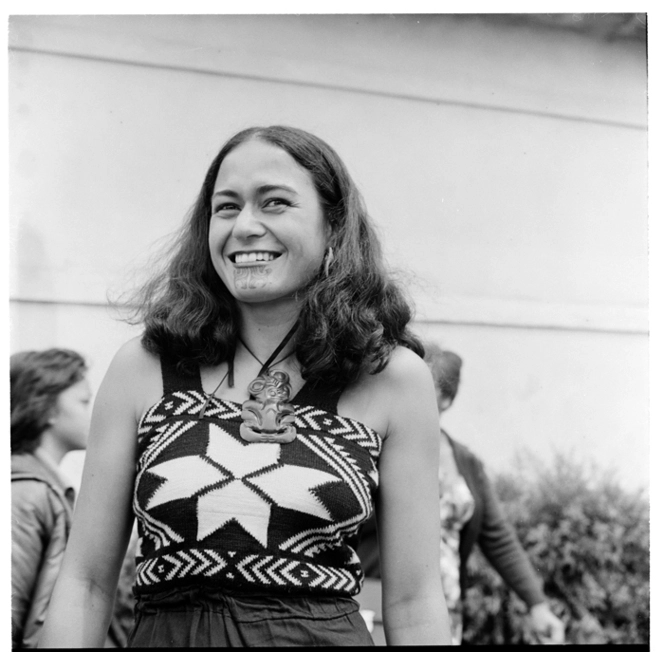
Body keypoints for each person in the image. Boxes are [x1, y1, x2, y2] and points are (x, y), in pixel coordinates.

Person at [39, 125, 452, 647]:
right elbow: (86, 584)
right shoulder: (143, 369)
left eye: (275, 203)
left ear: (334, 226)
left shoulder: (393, 378)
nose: (246, 226)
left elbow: (414, 603)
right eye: (227, 207)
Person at [354, 343, 566, 645]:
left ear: (447, 399)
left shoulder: (465, 462)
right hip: (378, 602)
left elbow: (498, 536)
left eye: (424, 385)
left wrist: (537, 604)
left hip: (443, 610)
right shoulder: (375, 448)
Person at [10, 348, 92, 648]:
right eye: (84, 402)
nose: (93, 413)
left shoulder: (51, 489)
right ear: (46, 408)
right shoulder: (25, 492)